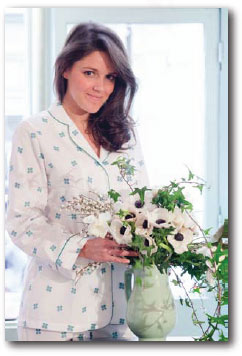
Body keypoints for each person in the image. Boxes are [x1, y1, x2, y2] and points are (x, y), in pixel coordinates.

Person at [6, 22, 149, 341]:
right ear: (66, 69)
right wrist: (82, 246)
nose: (101, 86)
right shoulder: (35, 132)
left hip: (120, 312)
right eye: (90, 73)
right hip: (55, 314)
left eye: (110, 77)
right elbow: (21, 221)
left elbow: (143, 207)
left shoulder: (125, 136)